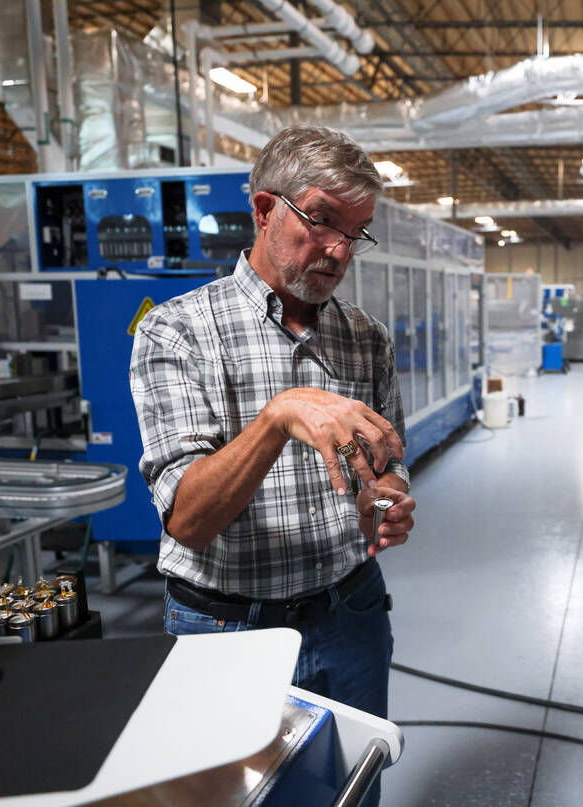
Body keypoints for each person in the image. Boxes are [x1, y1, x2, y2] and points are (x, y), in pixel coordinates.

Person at [130, 126, 415, 734]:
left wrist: (386, 492)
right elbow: (187, 520)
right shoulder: (177, 331)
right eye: (321, 221)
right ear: (264, 210)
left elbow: (392, 455)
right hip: (228, 628)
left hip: (351, 614)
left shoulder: (366, 338)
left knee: (350, 788)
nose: (338, 251)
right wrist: (278, 417)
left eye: (355, 231)